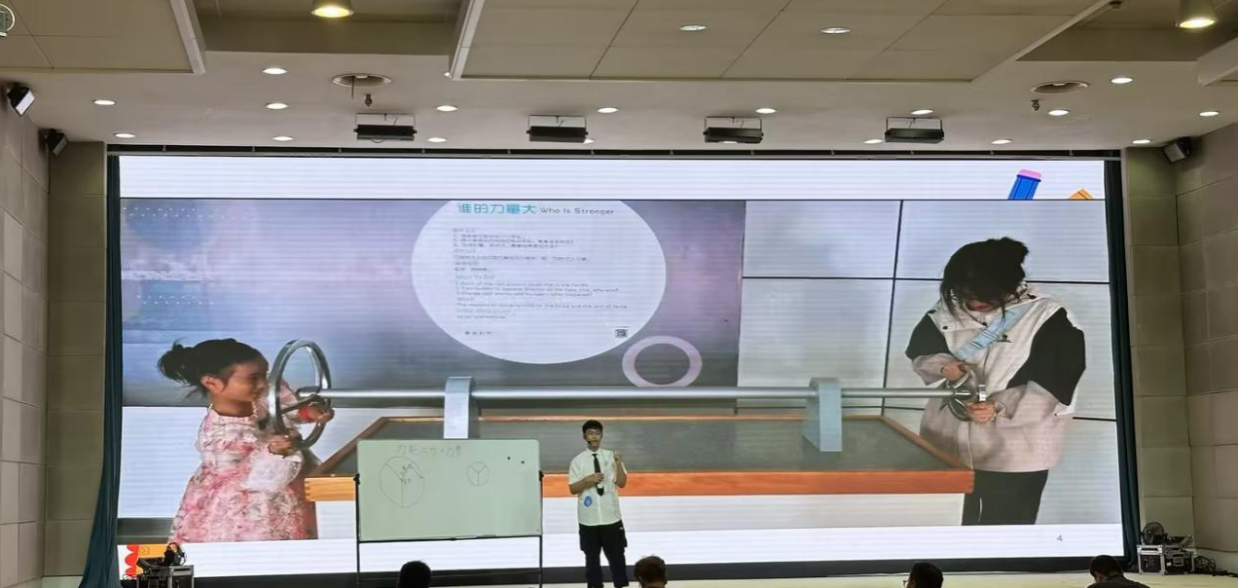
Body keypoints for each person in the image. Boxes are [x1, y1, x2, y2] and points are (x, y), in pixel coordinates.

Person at [906, 237, 1085, 525]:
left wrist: (998, 407)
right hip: (949, 439)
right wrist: (943, 366)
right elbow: (921, 351)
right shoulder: (945, 310)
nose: (973, 302)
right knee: (945, 523)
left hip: (1016, 445)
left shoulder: (1048, 315)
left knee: (1006, 528)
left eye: (983, 294)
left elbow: (1055, 384)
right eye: (964, 292)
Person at [159, 338, 334, 543]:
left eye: (264, 375)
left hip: (287, 485)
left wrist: (309, 411)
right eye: (253, 378)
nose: (263, 384)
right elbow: (255, 478)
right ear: (212, 383)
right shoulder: (220, 435)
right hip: (246, 507)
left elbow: (288, 408)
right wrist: (275, 453)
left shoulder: (262, 394)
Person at [568, 420, 629, 588]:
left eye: (597, 433)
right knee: (591, 558)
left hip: (611, 517)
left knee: (617, 556)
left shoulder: (612, 457)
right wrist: (587, 481)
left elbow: (622, 483)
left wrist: (618, 464)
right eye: (590, 433)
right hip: (588, 519)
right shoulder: (577, 461)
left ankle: (621, 585)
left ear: (601, 435)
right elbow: (572, 489)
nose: (594, 436)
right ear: (584, 436)